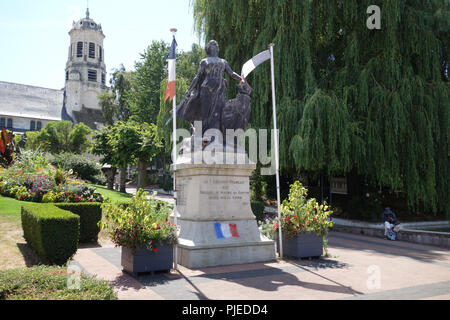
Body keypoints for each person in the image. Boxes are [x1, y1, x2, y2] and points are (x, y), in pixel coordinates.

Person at [176, 40, 244, 138]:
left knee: (218, 113)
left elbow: (231, 73)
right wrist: (189, 90)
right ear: (209, 47)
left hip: (220, 90)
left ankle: (216, 136)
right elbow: (198, 77)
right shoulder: (204, 61)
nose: (217, 46)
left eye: (217, 45)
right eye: (214, 44)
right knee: (206, 113)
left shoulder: (223, 61)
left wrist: (241, 79)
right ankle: (204, 136)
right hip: (206, 89)